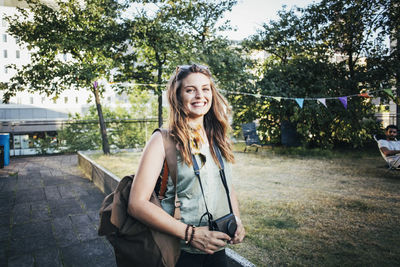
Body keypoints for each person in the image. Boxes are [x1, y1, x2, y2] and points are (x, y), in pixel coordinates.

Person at [128, 64, 245, 267]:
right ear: (178, 96)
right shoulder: (162, 140)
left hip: (217, 248)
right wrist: (190, 234)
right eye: (190, 90)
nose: (200, 95)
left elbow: (226, 186)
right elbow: (136, 204)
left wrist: (237, 220)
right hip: (178, 252)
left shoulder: (217, 137)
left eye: (205, 89)